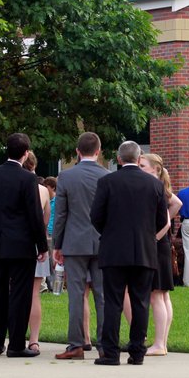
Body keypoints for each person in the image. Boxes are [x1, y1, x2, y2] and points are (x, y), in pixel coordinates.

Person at [90, 141, 167, 366]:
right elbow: (162, 219)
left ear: (119, 158)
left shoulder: (107, 182)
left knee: (113, 302)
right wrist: (146, 233)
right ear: (139, 156)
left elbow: (96, 216)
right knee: (141, 302)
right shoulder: (154, 185)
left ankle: (111, 353)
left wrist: (111, 232)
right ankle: (137, 352)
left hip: (114, 250)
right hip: (144, 250)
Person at [0, 133, 48, 358]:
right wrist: (42, 246)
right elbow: (34, 216)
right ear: (26, 152)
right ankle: (17, 344)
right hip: (22, 244)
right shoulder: (28, 179)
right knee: (20, 294)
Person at [53, 132, 109, 361]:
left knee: (76, 294)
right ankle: (106, 344)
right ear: (98, 151)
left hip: (74, 242)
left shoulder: (66, 177)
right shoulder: (107, 176)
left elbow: (61, 214)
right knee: (103, 295)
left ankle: (76, 344)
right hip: (102, 241)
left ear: (77, 151)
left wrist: (57, 244)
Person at [139, 153, 183, 355]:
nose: (139, 168)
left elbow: (167, 218)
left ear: (155, 169)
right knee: (163, 295)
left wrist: (154, 237)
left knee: (157, 294)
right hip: (162, 245)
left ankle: (159, 343)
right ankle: (162, 342)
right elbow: (176, 204)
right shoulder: (161, 189)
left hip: (157, 246)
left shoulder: (154, 189)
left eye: (143, 165)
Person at [23, 153, 51, 354]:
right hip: (35, 244)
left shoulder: (15, 186)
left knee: (16, 292)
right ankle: (34, 339)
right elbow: (45, 221)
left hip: (17, 244)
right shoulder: (43, 191)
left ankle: (16, 335)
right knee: (34, 294)